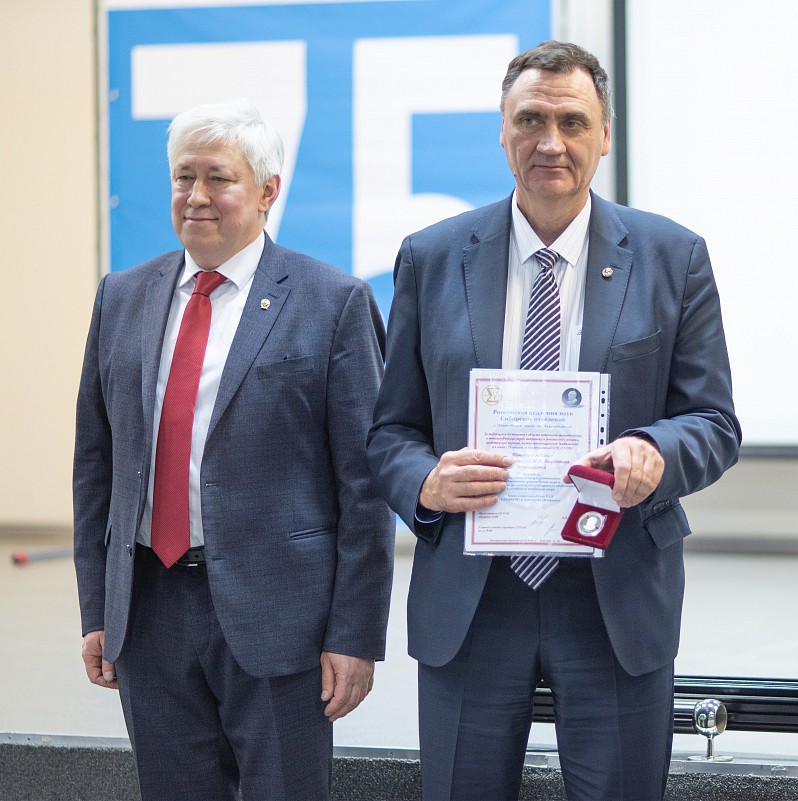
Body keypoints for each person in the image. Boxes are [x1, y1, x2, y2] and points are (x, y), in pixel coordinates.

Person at [367, 40, 740, 801]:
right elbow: (389, 432)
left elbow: (713, 422)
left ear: (605, 136)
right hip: (474, 593)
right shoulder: (432, 256)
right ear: (502, 132)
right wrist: (427, 482)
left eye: (572, 122)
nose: (551, 142)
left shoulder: (672, 257)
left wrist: (653, 450)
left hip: (613, 589)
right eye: (530, 120)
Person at [73, 100, 396, 801]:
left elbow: (365, 487)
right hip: (149, 612)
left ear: (267, 189)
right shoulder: (121, 297)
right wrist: (98, 609)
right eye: (183, 177)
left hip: (281, 622)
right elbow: (96, 468)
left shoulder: (332, 301)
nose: (195, 196)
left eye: (218, 178)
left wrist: (355, 633)